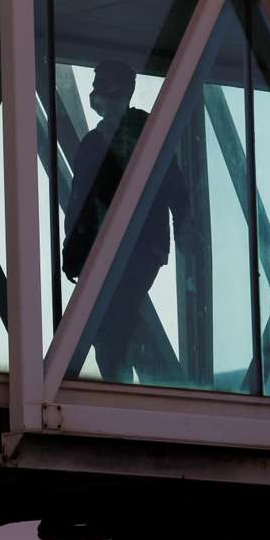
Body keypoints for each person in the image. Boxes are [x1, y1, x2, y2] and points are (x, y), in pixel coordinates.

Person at [62, 60, 188, 383]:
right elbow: (174, 185)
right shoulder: (140, 134)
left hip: (132, 247)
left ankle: (123, 381)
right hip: (137, 247)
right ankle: (131, 382)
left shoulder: (105, 143)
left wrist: (73, 251)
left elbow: (78, 204)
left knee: (111, 318)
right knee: (116, 316)